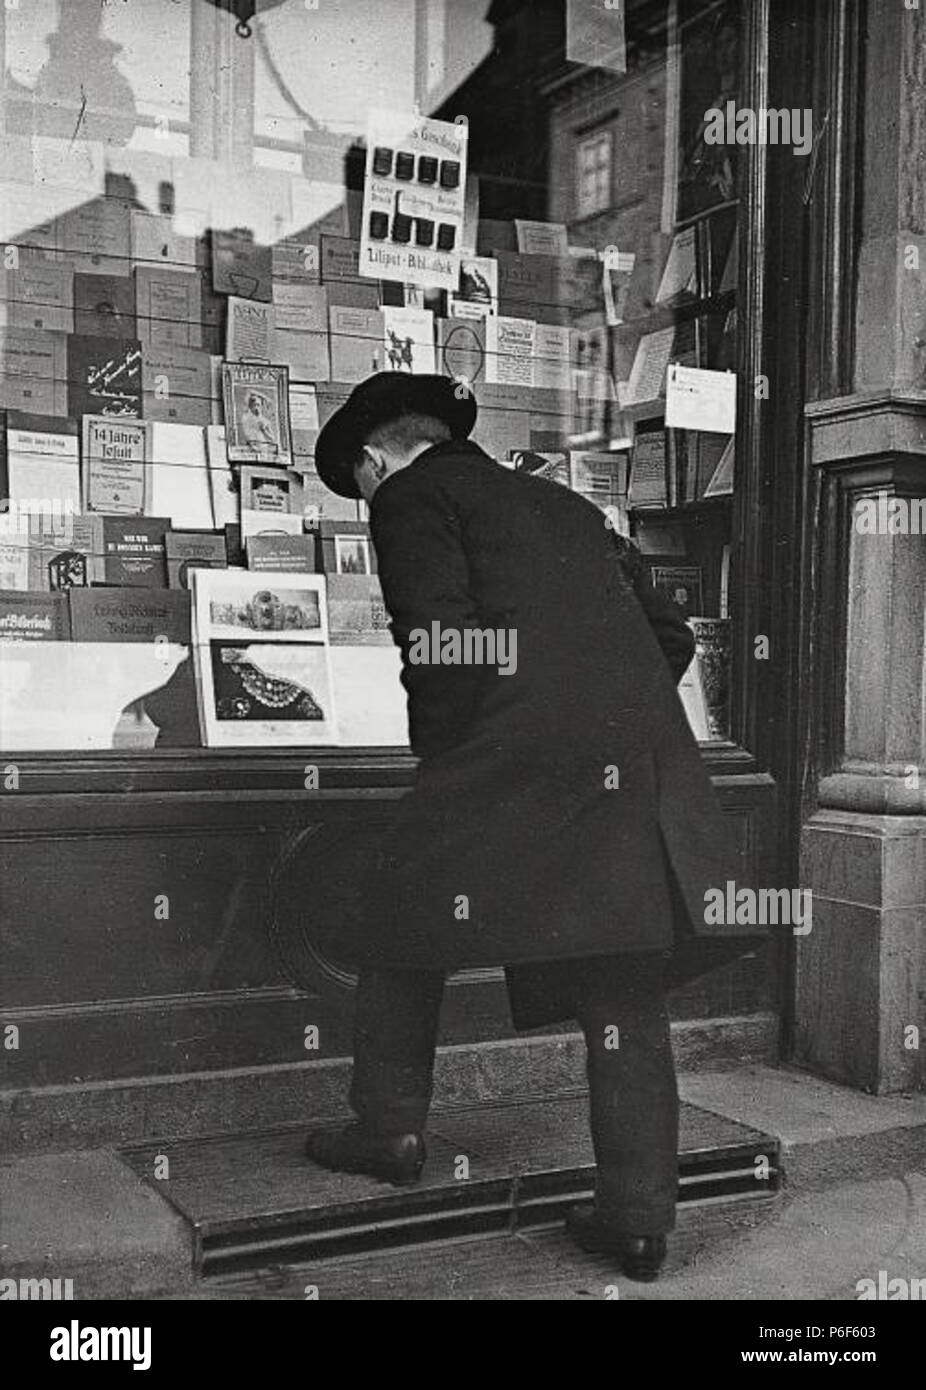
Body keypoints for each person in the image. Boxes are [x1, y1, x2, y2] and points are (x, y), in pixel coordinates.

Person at [307, 373, 761, 1282]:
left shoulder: (410, 497)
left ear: (372, 459)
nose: (365, 501)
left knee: (397, 913)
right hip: (632, 761)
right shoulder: (560, 501)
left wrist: (450, 763)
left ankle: (389, 1129)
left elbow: (441, 641)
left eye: (357, 486)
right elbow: (670, 635)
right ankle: (638, 1218)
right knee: (620, 976)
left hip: (507, 753)